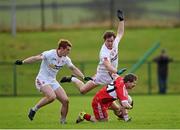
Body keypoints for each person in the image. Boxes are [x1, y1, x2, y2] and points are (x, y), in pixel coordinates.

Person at [14, 39, 90, 124]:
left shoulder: (65, 59)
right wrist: (23, 62)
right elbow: (36, 58)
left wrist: (83, 77)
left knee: (65, 101)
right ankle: (33, 109)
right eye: (67, 50)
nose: (69, 52)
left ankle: (63, 122)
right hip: (42, 79)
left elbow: (73, 68)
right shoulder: (49, 54)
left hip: (52, 81)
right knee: (52, 97)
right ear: (61, 48)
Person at [60, 10, 125, 94]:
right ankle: (73, 79)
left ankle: (121, 106)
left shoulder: (115, 42)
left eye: (111, 41)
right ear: (104, 40)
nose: (110, 43)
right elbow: (107, 65)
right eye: (108, 41)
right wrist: (116, 71)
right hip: (102, 75)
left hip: (112, 75)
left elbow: (120, 33)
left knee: (115, 94)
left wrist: (121, 20)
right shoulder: (104, 52)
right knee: (83, 90)